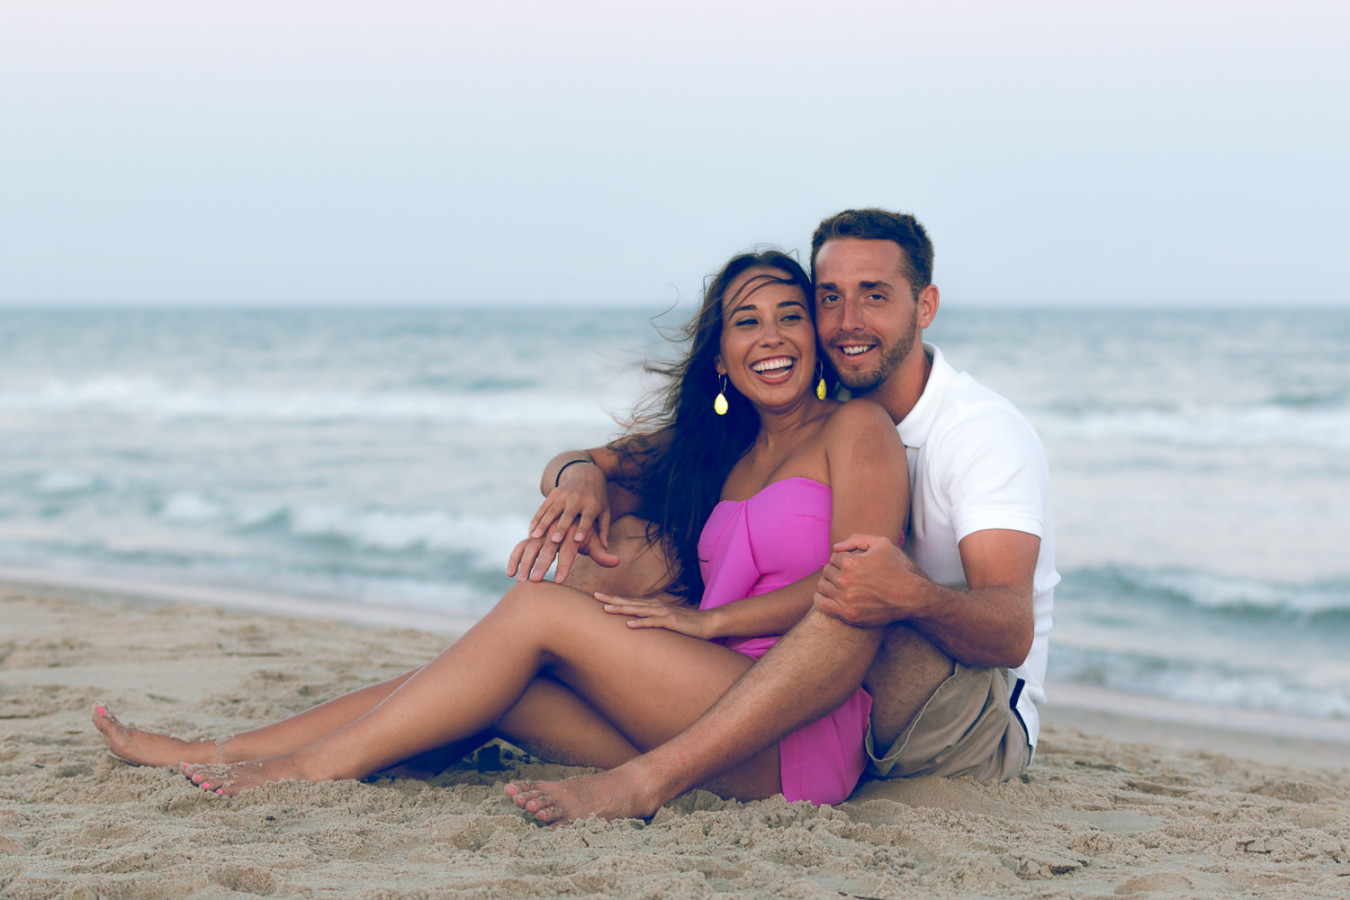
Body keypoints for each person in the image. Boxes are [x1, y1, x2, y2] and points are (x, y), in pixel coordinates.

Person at [91, 250, 910, 807]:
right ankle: (231, 752)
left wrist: (712, 620)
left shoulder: (855, 430)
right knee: (499, 687)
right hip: (695, 696)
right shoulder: (711, 450)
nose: (771, 337)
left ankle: (304, 769)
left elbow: (858, 585)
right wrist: (582, 482)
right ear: (721, 358)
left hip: (786, 728)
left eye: (790, 316)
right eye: (746, 322)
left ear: (815, 336)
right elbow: (571, 460)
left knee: (536, 609)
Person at [505, 209, 1058, 824]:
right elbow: (609, 466)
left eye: (874, 296)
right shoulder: (809, 409)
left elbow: (1010, 631)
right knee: (627, 547)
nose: (849, 322)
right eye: (830, 299)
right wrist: (578, 476)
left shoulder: (979, 433)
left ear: (924, 307)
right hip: (821, 692)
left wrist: (910, 596)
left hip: (960, 717)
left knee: (852, 589)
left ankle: (652, 777)